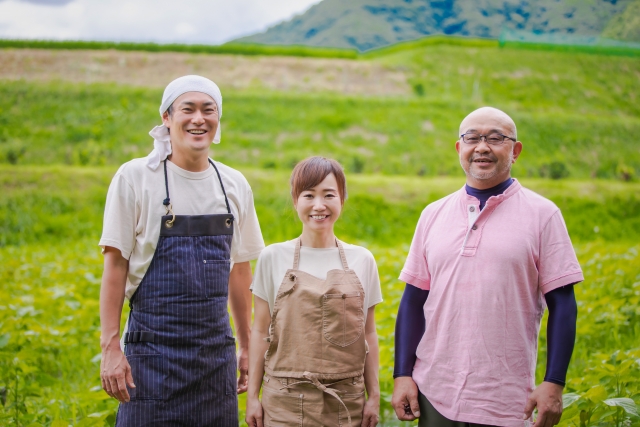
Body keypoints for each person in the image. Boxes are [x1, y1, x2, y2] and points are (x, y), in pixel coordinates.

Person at [391, 107, 583, 427]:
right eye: (472, 138)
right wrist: (402, 374)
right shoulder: (432, 214)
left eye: (495, 138)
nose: (482, 147)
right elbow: (412, 300)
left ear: (515, 150)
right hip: (434, 392)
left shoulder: (543, 215)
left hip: (506, 398)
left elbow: (563, 304)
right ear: (459, 148)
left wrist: (554, 382)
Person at [99, 75, 265, 426]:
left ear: (218, 119)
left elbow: (240, 271)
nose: (198, 119)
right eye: (187, 109)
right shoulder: (135, 178)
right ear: (166, 117)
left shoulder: (233, 184)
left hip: (214, 361)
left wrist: (247, 346)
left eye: (209, 110)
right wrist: (110, 347)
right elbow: (115, 266)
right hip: (151, 358)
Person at [245, 156, 382, 427]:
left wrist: (374, 395)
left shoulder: (362, 260)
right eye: (309, 195)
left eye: (328, 195)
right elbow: (260, 331)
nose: (319, 205)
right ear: (296, 201)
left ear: (342, 199)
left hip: (346, 402)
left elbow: (368, 333)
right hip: (283, 401)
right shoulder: (273, 257)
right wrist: (252, 396)